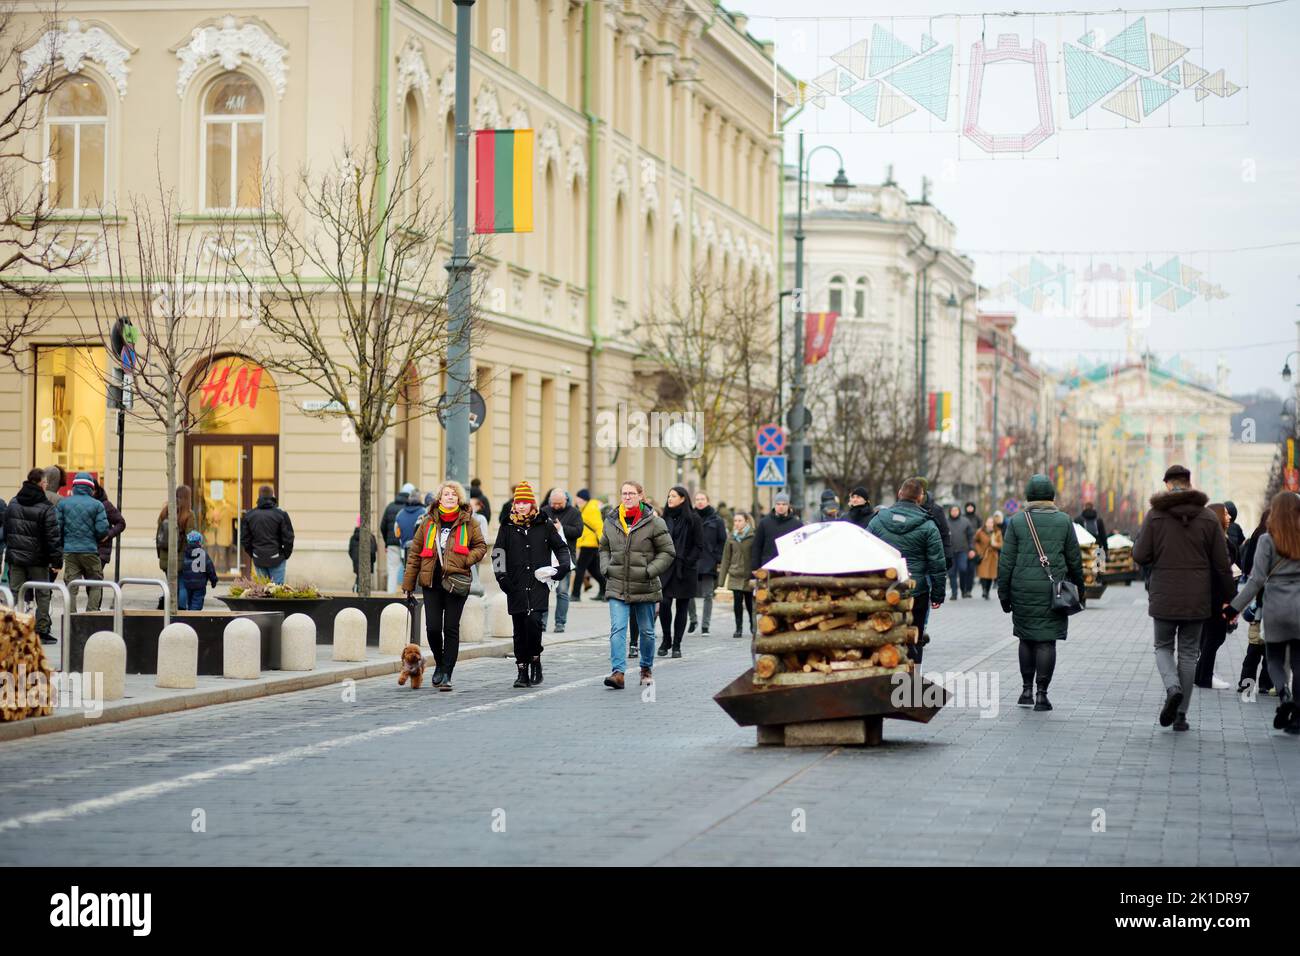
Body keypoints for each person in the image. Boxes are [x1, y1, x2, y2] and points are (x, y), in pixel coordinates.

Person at [1132, 465, 1234, 733]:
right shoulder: (1208, 518)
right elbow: (1222, 565)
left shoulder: (1155, 516)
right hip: (1197, 598)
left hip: (1164, 595)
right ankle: (1180, 715)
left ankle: (1172, 688)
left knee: (1163, 647)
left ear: (1167, 484)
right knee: (1189, 653)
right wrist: (1230, 600)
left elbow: (1140, 555)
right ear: (1189, 484)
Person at [997, 474, 1086, 712]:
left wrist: (1003, 594)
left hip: (1022, 589)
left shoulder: (1016, 521)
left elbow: (1005, 562)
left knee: (1026, 638)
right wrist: (1080, 589)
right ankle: (1042, 695)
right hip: (1052, 590)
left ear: (1028, 496)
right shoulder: (1064, 521)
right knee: (1046, 641)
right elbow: (1074, 559)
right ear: (1051, 496)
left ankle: (1026, 690)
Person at [402, 480, 488, 690]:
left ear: (459, 499)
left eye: (454, 495)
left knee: (450, 628)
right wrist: (408, 583)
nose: (450, 497)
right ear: (439, 498)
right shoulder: (428, 522)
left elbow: (481, 546)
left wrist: (465, 560)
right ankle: (439, 664)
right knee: (432, 628)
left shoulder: (469, 522)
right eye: (446, 494)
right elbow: (415, 553)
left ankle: (447, 673)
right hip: (431, 581)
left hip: (456, 582)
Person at [1226, 492, 1300, 733]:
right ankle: (1297, 717)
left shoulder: (1268, 540)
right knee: (1298, 662)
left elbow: (1256, 580)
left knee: (1275, 659)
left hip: (1275, 606)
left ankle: (1284, 694)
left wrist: (1233, 608)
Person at [599, 480, 675, 689]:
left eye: (631, 493)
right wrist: (605, 567)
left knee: (647, 631)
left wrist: (650, 571)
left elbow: (668, 552)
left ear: (641, 496)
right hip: (617, 584)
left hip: (645, 585)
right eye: (624, 493)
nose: (627, 497)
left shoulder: (654, 522)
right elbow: (603, 548)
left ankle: (646, 668)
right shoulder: (612, 521)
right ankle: (618, 673)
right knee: (618, 629)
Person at [496, 481, 571, 688]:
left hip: (538, 583)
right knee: (519, 628)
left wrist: (562, 568)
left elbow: (561, 548)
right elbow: (498, 553)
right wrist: (502, 577)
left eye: (525, 502)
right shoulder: (507, 526)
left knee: (534, 623)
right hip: (515, 585)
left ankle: (536, 659)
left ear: (532, 504)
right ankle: (522, 671)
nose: (521, 506)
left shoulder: (544, 524)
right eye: (518, 502)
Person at [868, 479, 946, 664]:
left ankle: (889, 678)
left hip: (886, 589)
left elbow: (866, 550)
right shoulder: (928, 525)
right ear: (920, 498)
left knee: (886, 635)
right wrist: (937, 595)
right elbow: (937, 563)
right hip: (916, 591)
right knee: (915, 637)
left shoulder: (878, 520)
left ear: (899, 494)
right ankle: (912, 680)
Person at [4, 468, 62, 643]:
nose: (45, 486)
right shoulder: (46, 507)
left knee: (15, 593)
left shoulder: (13, 502)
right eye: (45, 483)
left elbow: (7, 529)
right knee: (43, 593)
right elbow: (53, 536)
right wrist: (57, 561)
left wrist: (13, 550)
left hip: (16, 558)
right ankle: (41, 630)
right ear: (41, 483)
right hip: (38, 559)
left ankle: (14, 629)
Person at [1193, 503, 1238, 690]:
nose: (1229, 517)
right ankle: (1204, 677)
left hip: (1212, 594)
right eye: (1226, 514)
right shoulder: (1217, 540)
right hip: (1217, 596)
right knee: (1215, 636)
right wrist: (1230, 597)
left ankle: (1201, 674)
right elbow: (1220, 570)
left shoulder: (1214, 538)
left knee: (1213, 636)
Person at [657, 485, 701, 658]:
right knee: (665, 603)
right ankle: (666, 639)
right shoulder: (664, 518)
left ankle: (677, 645)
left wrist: (688, 561)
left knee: (682, 607)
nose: (670, 498)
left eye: (673, 496)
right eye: (669, 496)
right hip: (666, 567)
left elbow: (699, 545)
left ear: (683, 498)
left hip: (685, 569)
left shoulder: (693, 519)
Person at [56, 472, 109, 612]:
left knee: (71, 586)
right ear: (91, 488)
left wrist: (65, 542)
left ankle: (71, 618)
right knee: (95, 583)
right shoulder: (97, 505)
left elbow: (57, 528)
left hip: (70, 551)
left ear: (74, 486)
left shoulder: (63, 503)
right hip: (90, 551)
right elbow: (102, 529)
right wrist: (96, 538)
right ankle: (91, 615)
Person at [1236, 509, 1275, 695]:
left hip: (1260, 603)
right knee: (1270, 647)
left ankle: (1246, 683)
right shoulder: (1278, 540)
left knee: (1255, 645)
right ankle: (1266, 684)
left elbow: (1250, 571)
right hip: (1276, 607)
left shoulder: (1259, 536)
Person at [540, 487, 582, 633]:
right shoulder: (544, 510)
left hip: (565, 557)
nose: (556, 506)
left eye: (559, 503)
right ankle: (541, 622)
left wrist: (561, 528)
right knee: (543, 591)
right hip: (545, 557)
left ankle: (560, 623)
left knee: (562, 592)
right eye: (554, 503)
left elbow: (578, 531)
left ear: (566, 500)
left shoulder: (574, 512)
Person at [688, 490, 726, 635]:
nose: (699, 501)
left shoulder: (716, 520)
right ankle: (693, 619)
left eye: (702, 499)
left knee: (708, 594)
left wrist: (717, 558)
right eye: (697, 499)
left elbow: (722, 540)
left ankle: (705, 625)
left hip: (709, 561)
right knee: (688, 593)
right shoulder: (690, 518)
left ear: (708, 501)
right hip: (692, 560)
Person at [241, 485, 294, 584]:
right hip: (277, 557)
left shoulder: (249, 515)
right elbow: (289, 538)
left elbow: (244, 540)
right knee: (277, 592)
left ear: (258, 496)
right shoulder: (281, 515)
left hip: (258, 557)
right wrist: (285, 554)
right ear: (272, 495)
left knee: (262, 591)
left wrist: (253, 553)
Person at [156, 485, 197, 607]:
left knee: (170, 585)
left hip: (165, 557)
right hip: (182, 557)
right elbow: (191, 538)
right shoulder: (189, 515)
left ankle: (169, 610)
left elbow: (158, 535)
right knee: (183, 586)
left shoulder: (165, 512)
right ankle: (181, 611)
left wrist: (160, 555)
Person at [720, 511, 756, 638]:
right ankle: (738, 628)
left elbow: (756, 556)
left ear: (746, 521)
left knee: (749, 603)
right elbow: (726, 558)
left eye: (740, 520)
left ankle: (753, 625)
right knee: (737, 602)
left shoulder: (753, 536)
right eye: (735, 521)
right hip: (735, 574)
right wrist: (721, 580)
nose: (737, 523)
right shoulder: (731, 537)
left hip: (748, 575)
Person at [570, 488, 606, 602]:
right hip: (587, 542)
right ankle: (604, 591)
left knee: (580, 568)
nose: (576, 499)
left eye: (578, 497)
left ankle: (575, 594)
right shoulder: (584, 508)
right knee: (594, 570)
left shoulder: (591, 509)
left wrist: (602, 541)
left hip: (590, 544)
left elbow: (598, 526)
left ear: (583, 499)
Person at [92, 479, 126, 590]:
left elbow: (121, 523)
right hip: (87, 548)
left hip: (101, 551)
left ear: (96, 490)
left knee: (95, 581)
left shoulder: (105, 505)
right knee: (90, 582)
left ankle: (95, 607)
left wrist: (109, 534)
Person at [753, 492, 802, 568]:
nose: (781, 507)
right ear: (774, 505)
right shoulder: (764, 523)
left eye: (784, 504)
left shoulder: (797, 524)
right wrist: (755, 567)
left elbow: (800, 548)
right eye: (778, 504)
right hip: (768, 566)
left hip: (789, 567)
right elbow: (757, 546)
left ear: (788, 505)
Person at [381, 483, 413, 591]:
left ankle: (391, 594)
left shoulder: (390, 506)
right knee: (406, 569)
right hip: (406, 544)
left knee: (392, 570)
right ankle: (404, 592)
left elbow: (383, 526)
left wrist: (387, 542)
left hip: (392, 544)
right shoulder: (408, 509)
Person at [917, 479, 953, 572]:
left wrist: (947, 553)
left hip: (932, 554)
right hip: (914, 555)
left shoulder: (936, 509)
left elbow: (945, 532)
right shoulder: (907, 508)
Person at [179, 530, 220, 610]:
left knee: (190, 601)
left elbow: (182, 566)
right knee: (197, 602)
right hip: (200, 585)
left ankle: (190, 614)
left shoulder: (185, 553)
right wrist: (213, 581)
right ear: (199, 542)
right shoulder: (203, 553)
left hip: (188, 584)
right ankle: (193, 616)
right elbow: (210, 568)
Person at [945, 504, 976, 599]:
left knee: (963, 569)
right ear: (950, 511)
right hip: (950, 551)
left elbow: (971, 536)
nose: (954, 512)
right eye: (952, 510)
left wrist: (971, 549)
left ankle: (964, 590)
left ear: (959, 511)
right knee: (951, 573)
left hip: (963, 550)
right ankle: (954, 593)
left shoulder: (965, 521)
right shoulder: (946, 522)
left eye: (956, 510)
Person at [973, 515, 1002, 599]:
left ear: (994, 524)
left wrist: (995, 544)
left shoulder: (997, 532)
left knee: (990, 575)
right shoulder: (980, 531)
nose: (989, 524)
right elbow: (976, 541)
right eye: (988, 522)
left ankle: (987, 591)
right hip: (983, 555)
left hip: (993, 556)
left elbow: (1001, 544)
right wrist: (979, 551)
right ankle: (984, 590)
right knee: (983, 574)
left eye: (991, 522)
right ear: (985, 523)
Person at [348, 515, 377, 594]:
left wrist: (354, 558)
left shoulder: (353, 537)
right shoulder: (371, 537)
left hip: (356, 560)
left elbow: (350, 551)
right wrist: (372, 561)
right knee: (364, 579)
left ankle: (356, 588)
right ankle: (358, 589)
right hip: (368, 562)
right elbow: (373, 550)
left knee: (358, 576)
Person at [467, 496, 490, 595]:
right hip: (464, 551)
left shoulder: (481, 519)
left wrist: (483, 552)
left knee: (475, 572)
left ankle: (475, 591)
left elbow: (484, 535)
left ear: (477, 507)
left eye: (472, 505)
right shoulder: (465, 517)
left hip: (475, 550)